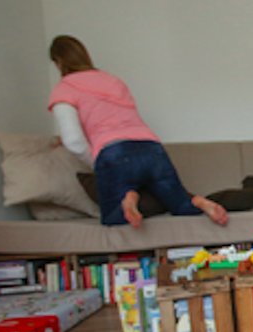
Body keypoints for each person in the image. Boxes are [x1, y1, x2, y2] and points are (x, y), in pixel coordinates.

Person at [47, 35, 228, 229]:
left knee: (113, 219)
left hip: (114, 154)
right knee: (180, 208)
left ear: (58, 62)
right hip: (152, 148)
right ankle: (199, 203)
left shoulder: (64, 88)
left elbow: (73, 140)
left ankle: (129, 200)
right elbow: (117, 118)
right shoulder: (113, 81)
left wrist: (97, 162)